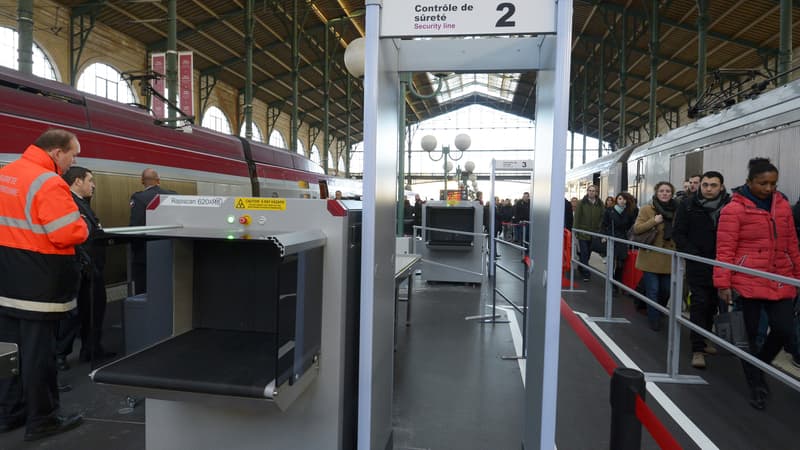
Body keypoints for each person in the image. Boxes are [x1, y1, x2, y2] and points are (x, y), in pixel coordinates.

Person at [0, 129, 88, 441]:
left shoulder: (5, 174)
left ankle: (9, 413)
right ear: (56, 153)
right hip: (39, 284)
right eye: (72, 155)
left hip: (6, 280)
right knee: (39, 354)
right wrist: (82, 225)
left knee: (8, 352)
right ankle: (44, 419)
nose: (73, 161)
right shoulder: (48, 182)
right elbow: (67, 233)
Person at [714, 158, 800, 410]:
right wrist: (723, 283)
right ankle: (756, 384)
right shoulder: (734, 209)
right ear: (749, 182)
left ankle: (758, 367)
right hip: (747, 278)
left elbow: (792, 243)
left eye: (773, 183)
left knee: (783, 328)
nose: (769, 188)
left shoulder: (782, 206)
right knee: (751, 335)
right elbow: (725, 249)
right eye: (763, 183)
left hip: (779, 277)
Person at [55, 167, 115, 370]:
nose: (94, 185)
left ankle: (91, 349)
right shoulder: (68, 203)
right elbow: (73, 236)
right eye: (90, 180)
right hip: (81, 268)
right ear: (77, 182)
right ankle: (60, 355)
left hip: (90, 267)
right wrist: (84, 262)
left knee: (93, 309)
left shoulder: (81, 203)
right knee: (74, 315)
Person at [673, 171, 730, 369]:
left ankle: (705, 338)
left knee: (713, 304)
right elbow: (678, 234)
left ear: (721, 187)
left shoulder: (730, 207)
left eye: (713, 185)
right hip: (697, 264)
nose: (708, 189)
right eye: (705, 185)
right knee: (699, 303)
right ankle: (697, 349)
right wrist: (693, 254)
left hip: (722, 264)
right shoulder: (688, 206)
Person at [633, 181, 677, 331]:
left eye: (668, 191)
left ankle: (657, 310)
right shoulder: (647, 209)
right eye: (662, 191)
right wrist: (654, 221)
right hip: (650, 257)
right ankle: (654, 319)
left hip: (669, 258)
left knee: (666, 290)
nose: (665, 193)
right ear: (656, 193)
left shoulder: (678, 210)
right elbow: (637, 229)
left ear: (672, 194)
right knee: (653, 290)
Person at [129, 168, 177, 294]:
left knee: (144, 289)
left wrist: (135, 250)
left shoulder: (139, 198)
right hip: (169, 250)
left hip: (145, 252)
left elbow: (136, 226)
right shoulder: (173, 195)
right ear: (158, 181)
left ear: (142, 181)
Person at [600, 193, 636, 290]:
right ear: (616, 200)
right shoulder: (609, 211)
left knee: (621, 263)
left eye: (624, 199)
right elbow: (604, 224)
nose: (622, 201)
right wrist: (603, 236)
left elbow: (632, 226)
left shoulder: (629, 212)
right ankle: (610, 283)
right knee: (611, 262)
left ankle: (616, 283)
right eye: (620, 198)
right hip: (611, 238)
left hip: (623, 239)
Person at [573, 185, 604, 281]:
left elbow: (602, 217)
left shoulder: (600, 203)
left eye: (593, 191)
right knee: (585, 252)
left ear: (596, 192)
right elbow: (577, 217)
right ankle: (586, 274)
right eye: (590, 190)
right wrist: (575, 230)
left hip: (594, 233)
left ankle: (581, 266)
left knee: (588, 254)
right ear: (587, 191)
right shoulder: (581, 203)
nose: (591, 192)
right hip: (583, 232)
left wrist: (600, 229)